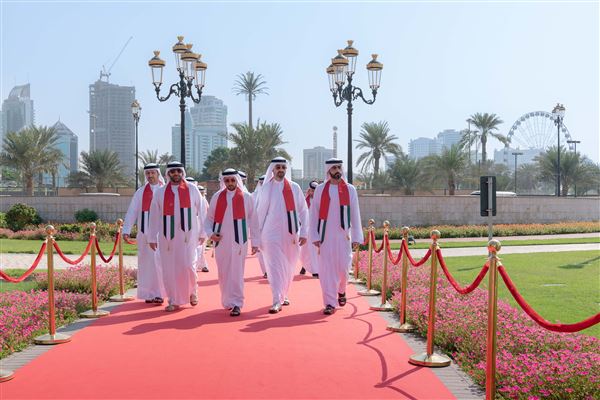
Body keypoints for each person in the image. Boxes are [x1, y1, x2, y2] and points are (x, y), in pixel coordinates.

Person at [148, 162, 207, 312]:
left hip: (189, 235)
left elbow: (202, 212)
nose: (175, 174)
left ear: (182, 172)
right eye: (172, 171)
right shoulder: (160, 193)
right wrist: (152, 237)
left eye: (178, 171)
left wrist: (203, 233)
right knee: (169, 270)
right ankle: (173, 300)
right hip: (167, 237)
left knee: (188, 265)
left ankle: (193, 291)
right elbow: (154, 216)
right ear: (168, 174)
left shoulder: (192, 189)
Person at [309, 159, 363, 315]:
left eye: (339, 167)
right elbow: (314, 214)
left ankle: (342, 289)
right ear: (328, 171)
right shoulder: (320, 190)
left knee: (344, 269)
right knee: (327, 271)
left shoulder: (350, 189)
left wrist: (357, 237)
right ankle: (329, 303)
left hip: (344, 237)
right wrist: (314, 235)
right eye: (334, 168)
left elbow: (355, 214)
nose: (337, 170)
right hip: (326, 236)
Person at [204, 169, 260, 317]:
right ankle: (228, 301)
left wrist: (255, 242)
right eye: (227, 180)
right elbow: (209, 219)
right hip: (221, 241)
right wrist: (210, 234)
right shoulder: (217, 197)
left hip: (239, 241)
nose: (230, 183)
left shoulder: (246, 197)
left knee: (237, 272)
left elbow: (254, 221)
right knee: (224, 272)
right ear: (224, 182)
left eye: (232, 180)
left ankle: (237, 303)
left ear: (237, 181)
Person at [256, 157, 309, 314]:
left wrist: (305, 232)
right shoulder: (266, 189)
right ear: (272, 169)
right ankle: (276, 300)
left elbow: (303, 211)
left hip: (291, 233)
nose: (280, 170)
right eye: (277, 167)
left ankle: (283, 294)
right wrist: (256, 238)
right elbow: (260, 214)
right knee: (273, 267)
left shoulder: (294, 187)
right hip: (270, 234)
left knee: (288, 266)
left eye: (283, 167)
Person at [122, 163, 166, 304]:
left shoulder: (164, 190)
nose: (150, 175)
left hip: (161, 234)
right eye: (148, 173)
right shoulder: (141, 192)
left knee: (159, 263)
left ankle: (160, 293)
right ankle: (148, 293)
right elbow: (132, 211)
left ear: (158, 174)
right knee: (146, 264)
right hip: (144, 234)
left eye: (153, 173)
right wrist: (126, 230)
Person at [299, 180, 319, 278]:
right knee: (304, 250)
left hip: (316, 229)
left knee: (314, 250)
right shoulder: (304, 200)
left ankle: (315, 270)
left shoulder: (320, 201)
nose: (312, 193)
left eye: (315, 191)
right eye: (311, 191)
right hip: (306, 229)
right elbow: (300, 213)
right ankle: (304, 266)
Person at [251, 175, 267, 278]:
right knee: (260, 251)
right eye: (261, 182)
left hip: (269, 226)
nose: (262, 184)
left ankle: (271, 270)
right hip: (257, 227)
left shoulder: (272, 194)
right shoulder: (253, 195)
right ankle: (265, 271)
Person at [196, 184, 210, 273]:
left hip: (203, 228)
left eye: (201, 192)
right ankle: (202, 265)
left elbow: (207, 216)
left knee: (201, 248)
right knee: (198, 249)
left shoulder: (204, 201)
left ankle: (202, 265)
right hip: (194, 228)